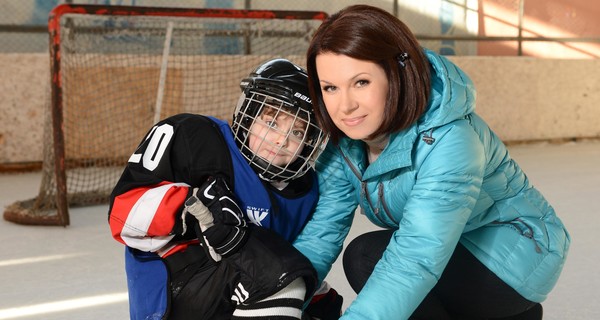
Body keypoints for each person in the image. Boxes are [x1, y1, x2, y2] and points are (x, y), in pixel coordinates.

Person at [292, 5, 571, 320]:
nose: (345, 105)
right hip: (457, 245)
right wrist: (277, 300)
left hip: (518, 254)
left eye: (361, 82)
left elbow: (415, 256)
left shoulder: (450, 140)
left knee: (367, 257)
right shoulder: (346, 144)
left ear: (396, 72)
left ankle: (505, 309)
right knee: (370, 257)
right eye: (330, 87)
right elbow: (322, 233)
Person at [108, 58, 342, 320]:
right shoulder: (196, 138)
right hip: (176, 294)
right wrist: (191, 206)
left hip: (239, 286)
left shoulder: (302, 191)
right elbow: (122, 216)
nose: (281, 139)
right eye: (272, 122)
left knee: (322, 306)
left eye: (298, 133)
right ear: (248, 113)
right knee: (278, 277)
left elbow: (283, 257)